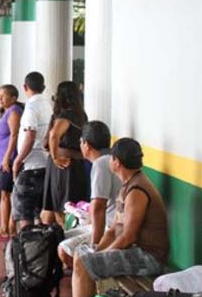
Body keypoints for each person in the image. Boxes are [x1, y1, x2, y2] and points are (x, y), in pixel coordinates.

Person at [70, 138, 170, 297]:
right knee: (81, 255)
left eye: (111, 157)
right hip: (134, 251)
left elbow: (128, 237)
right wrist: (98, 250)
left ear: (117, 162)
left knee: (84, 264)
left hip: (148, 258)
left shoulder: (137, 190)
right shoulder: (128, 185)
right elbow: (114, 229)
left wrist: (102, 255)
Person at [58, 121, 122, 267]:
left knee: (63, 249)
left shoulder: (101, 164)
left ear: (86, 144)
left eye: (80, 141)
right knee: (58, 237)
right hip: (107, 225)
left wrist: (95, 245)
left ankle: (85, 277)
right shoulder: (109, 160)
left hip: (109, 227)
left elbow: (99, 206)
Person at [42, 81, 89, 225]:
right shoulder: (81, 115)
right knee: (71, 207)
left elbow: (54, 135)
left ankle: (63, 242)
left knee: (62, 208)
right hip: (76, 163)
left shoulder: (65, 115)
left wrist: (55, 157)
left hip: (64, 165)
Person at [11, 72, 53, 231]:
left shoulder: (31, 107)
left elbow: (30, 135)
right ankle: (38, 250)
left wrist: (18, 160)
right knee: (38, 213)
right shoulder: (47, 105)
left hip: (30, 167)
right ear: (43, 87)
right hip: (44, 163)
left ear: (25, 87)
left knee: (24, 213)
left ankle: (27, 248)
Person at [0, 84, 23, 241]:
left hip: (8, 161)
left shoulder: (14, 112)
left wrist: (6, 157)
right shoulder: (6, 112)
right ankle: (8, 226)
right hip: (3, 160)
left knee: (6, 194)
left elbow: (14, 136)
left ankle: (6, 228)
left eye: (4, 96)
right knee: (5, 193)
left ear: (14, 98)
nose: (0, 99)